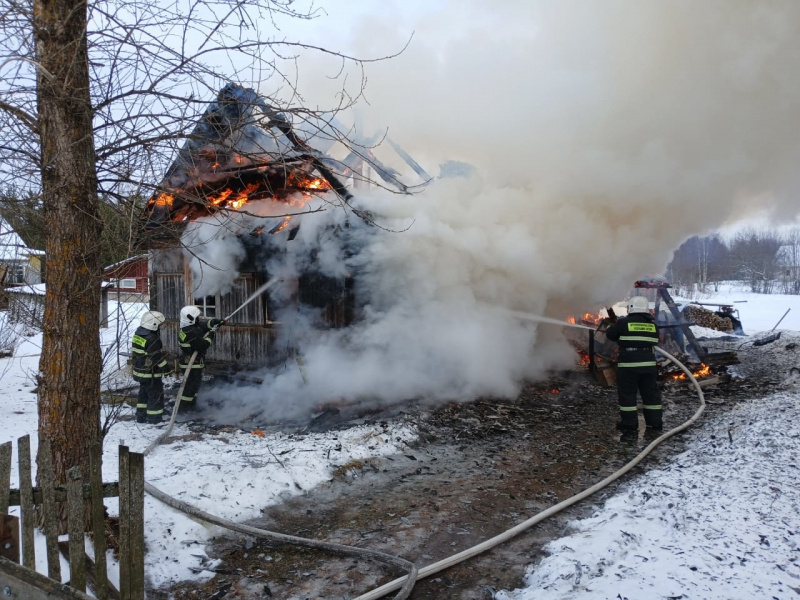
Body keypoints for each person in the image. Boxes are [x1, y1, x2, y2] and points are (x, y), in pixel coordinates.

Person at [604, 295, 662, 432]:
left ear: (630, 308)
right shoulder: (653, 326)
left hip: (628, 366)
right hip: (648, 366)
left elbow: (610, 335)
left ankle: (629, 424)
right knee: (651, 395)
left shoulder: (624, 323)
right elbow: (656, 341)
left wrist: (613, 325)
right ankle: (655, 423)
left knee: (628, 395)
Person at [177, 306, 224, 413]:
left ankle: (192, 406)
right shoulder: (190, 332)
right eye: (196, 317)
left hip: (192, 362)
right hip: (191, 364)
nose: (198, 318)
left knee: (194, 386)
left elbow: (202, 326)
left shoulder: (189, 328)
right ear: (191, 318)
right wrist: (211, 333)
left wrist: (215, 322)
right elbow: (203, 345)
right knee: (190, 388)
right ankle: (184, 410)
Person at [131, 310, 173, 424]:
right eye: (159, 325)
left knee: (143, 395)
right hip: (151, 373)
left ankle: (141, 416)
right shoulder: (152, 338)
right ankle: (155, 418)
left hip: (140, 370)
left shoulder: (138, 334)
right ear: (154, 324)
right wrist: (167, 369)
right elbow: (157, 357)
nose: (160, 327)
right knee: (155, 395)